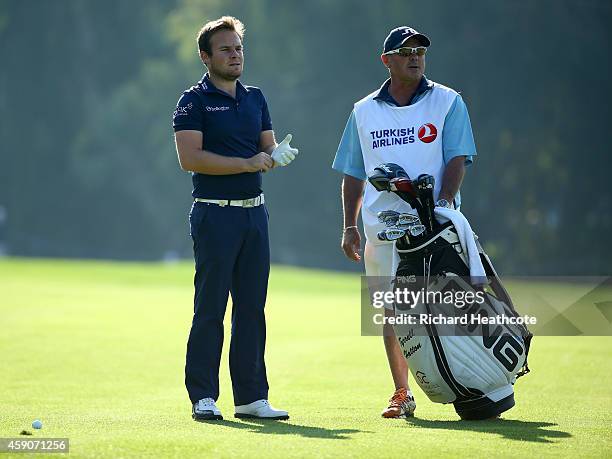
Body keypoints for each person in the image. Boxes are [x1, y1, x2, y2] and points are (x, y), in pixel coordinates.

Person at [332, 26, 477, 418]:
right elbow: (352, 171)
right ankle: (401, 392)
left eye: (420, 51)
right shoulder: (364, 110)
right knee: (393, 313)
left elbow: (457, 157)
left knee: (445, 307)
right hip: (382, 229)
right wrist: (349, 225)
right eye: (406, 51)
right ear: (387, 60)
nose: (415, 56)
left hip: (435, 228)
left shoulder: (447, 101)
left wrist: (444, 204)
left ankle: (471, 384)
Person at [172, 16, 298, 422]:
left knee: (251, 309)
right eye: (225, 49)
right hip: (213, 215)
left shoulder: (255, 98)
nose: (234, 54)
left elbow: (266, 146)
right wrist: (247, 164)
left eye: (238, 48)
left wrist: (275, 155)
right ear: (206, 57)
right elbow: (189, 158)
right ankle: (203, 396)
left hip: (254, 216)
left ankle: (251, 397)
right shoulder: (192, 101)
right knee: (210, 308)